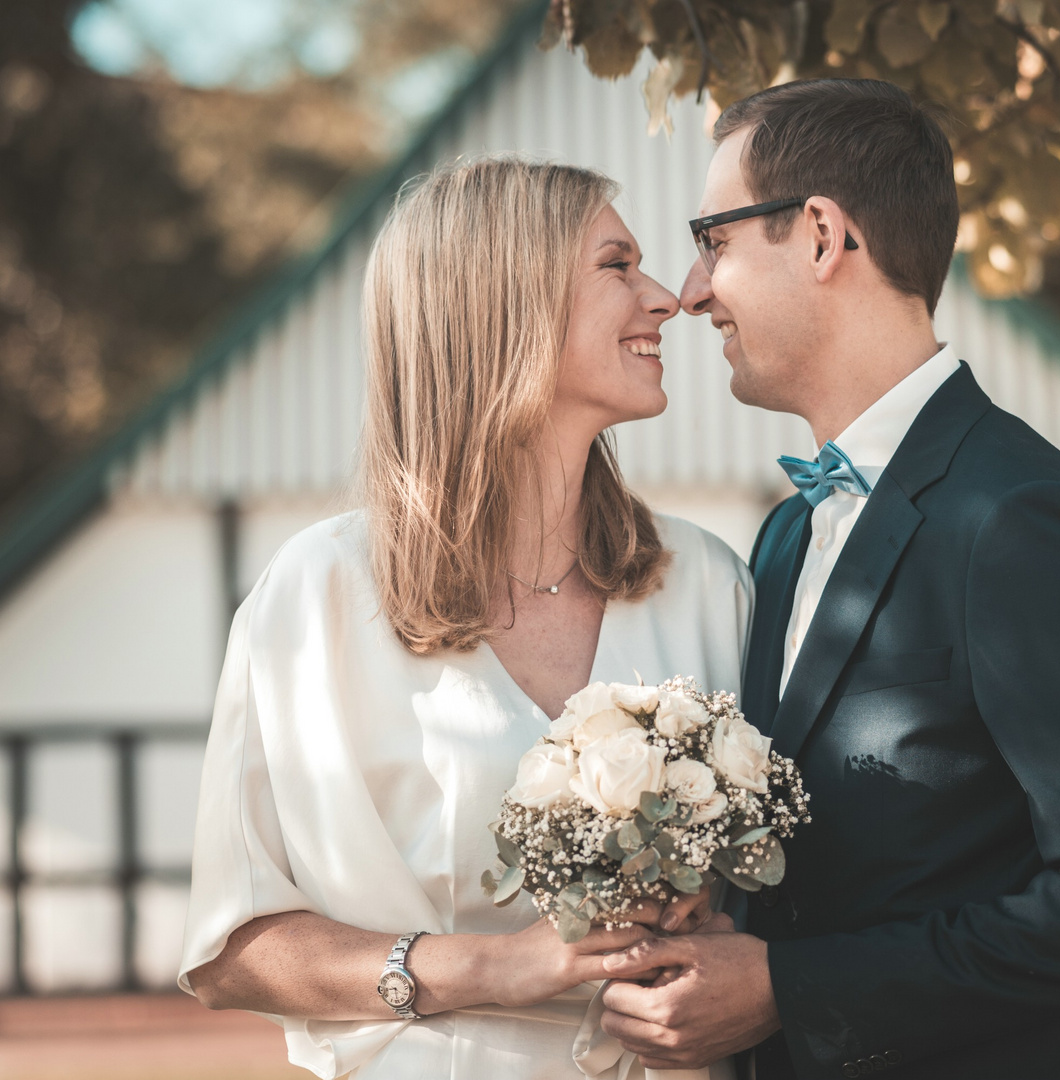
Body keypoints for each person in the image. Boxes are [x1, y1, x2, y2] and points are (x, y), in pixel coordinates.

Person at [595, 79, 1060, 1080]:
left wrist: (788, 991)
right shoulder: (787, 536)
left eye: (713, 237)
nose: (693, 288)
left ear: (818, 235)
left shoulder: (1017, 518)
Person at [178, 157, 749, 1080]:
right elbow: (232, 950)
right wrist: (498, 964)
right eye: (617, 266)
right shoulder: (316, 595)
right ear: (504, 302)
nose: (664, 299)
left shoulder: (709, 584)